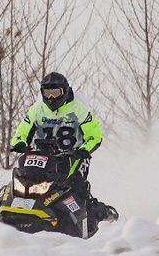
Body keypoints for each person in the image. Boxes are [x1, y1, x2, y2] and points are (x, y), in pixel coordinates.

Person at [10, 72, 118, 222]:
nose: (51, 98)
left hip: (73, 156)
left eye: (55, 93)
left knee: (75, 184)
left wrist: (84, 150)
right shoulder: (37, 109)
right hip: (43, 156)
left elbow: (95, 135)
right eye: (47, 94)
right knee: (24, 181)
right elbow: (23, 129)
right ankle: (16, 213)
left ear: (65, 91)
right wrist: (19, 142)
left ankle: (90, 215)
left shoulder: (79, 109)